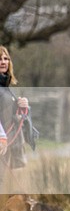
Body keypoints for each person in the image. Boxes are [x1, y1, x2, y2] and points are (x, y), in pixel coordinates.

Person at [0, 46, 32, 181]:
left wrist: (22, 106)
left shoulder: (6, 88)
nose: (3, 62)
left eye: (6, 58)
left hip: (8, 145)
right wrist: (1, 136)